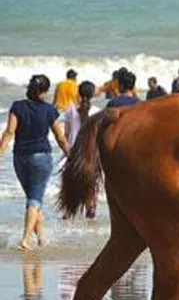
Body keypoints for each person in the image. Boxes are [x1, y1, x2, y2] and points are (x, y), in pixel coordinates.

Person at [0, 75, 71, 250]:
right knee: (35, 198)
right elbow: (60, 137)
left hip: (20, 159)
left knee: (33, 197)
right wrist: (71, 155)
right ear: (43, 91)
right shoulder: (49, 110)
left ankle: (42, 238)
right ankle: (26, 239)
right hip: (41, 158)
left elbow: (9, 132)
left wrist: (0, 153)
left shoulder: (17, 107)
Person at [63, 81, 102, 219]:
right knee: (91, 185)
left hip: (73, 152)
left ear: (79, 93)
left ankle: (68, 213)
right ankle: (90, 211)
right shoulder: (97, 112)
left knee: (71, 185)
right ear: (93, 95)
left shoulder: (70, 109)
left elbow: (66, 134)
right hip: (91, 152)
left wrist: (65, 151)